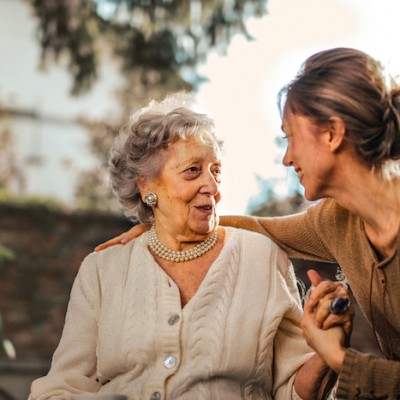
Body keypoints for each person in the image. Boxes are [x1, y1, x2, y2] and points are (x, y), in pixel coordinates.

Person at [96, 48, 400, 399]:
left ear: (332, 133)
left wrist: (338, 358)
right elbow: (260, 228)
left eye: (290, 137)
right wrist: (167, 223)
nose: (287, 158)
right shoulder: (336, 222)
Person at [29, 93, 337, 400]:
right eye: (193, 170)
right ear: (145, 185)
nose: (213, 187)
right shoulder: (101, 270)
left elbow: (293, 391)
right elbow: (62, 388)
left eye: (216, 170)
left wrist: (327, 354)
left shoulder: (263, 258)